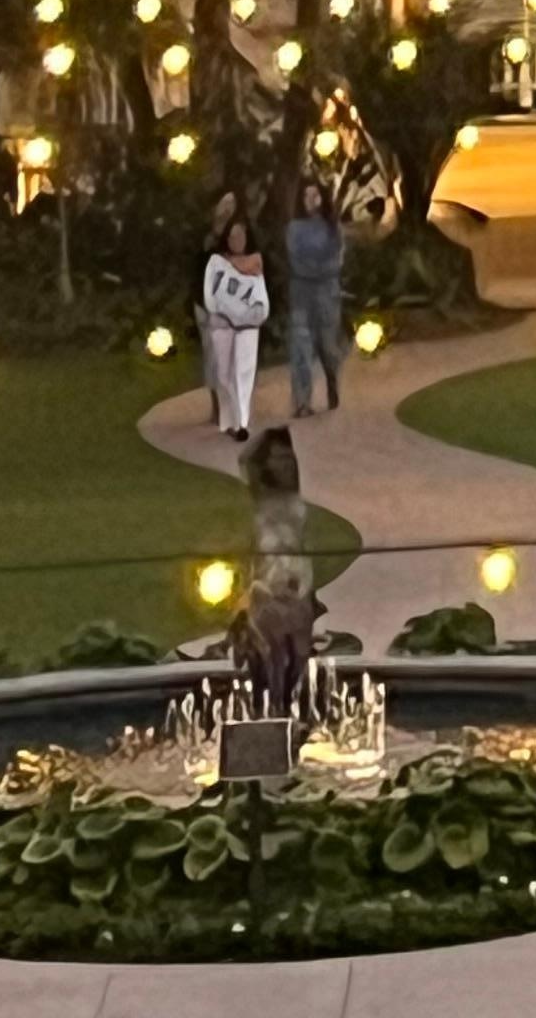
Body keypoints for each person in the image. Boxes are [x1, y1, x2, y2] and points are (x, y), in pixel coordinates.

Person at [233, 426, 318, 716]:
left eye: (288, 458)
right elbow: (245, 460)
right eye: (277, 459)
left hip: (298, 584)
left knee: (300, 656)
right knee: (272, 656)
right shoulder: (261, 496)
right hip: (268, 585)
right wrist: (268, 432)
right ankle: (272, 712)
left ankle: (292, 713)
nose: (284, 464)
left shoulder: (297, 495)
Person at [201, 209, 271, 439]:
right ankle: (228, 420)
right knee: (224, 374)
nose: (236, 241)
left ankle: (241, 423)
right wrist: (226, 311)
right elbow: (210, 296)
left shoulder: (255, 264)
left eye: (241, 236)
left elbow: (260, 298)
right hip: (222, 324)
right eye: (232, 236)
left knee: (244, 372)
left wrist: (248, 315)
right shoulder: (217, 263)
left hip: (247, 326)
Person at [285, 175, 346, 418]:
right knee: (301, 347)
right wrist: (316, 269)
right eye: (306, 195)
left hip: (327, 294)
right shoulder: (294, 228)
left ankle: (332, 381)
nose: (311, 200)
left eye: (315, 195)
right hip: (301, 295)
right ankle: (302, 402)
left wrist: (322, 270)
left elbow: (336, 259)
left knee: (328, 347)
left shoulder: (331, 227)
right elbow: (296, 261)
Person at [196, 193, 245, 430]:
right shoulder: (206, 236)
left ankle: (232, 408)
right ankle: (216, 407)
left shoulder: (236, 235)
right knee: (211, 357)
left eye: (230, 205)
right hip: (204, 303)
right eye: (224, 203)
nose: (226, 208)